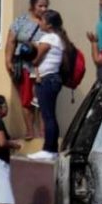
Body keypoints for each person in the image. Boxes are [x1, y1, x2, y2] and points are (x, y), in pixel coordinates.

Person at [28, 10, 73, 161]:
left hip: (47, 79)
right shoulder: (58, 38)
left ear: (49, 24)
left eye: (41, 20)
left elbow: (35, 60)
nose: (39, 22)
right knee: (50, 115)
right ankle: (52, 150)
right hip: (53, 79)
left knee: (48, 116)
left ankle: (48, 150)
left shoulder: (48, 38)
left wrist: (31, 50)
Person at [4, 0, 49, 140]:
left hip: (44, 67)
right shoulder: (21, 21)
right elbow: (11, 41)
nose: (43, 9)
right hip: (24, 66)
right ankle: (30, 131)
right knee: (26, 99)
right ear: (32, 6)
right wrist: (8, 60)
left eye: (46, 6)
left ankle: (42, 133)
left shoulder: (49, 22)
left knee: (42, 100)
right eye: (40, 6)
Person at [0, 96, 21, 204]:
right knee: (3, 198)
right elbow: (1, 142)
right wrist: (14, 144)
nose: (6, 108)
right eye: (3, 105)